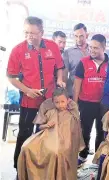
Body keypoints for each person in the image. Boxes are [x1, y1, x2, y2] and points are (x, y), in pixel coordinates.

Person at [6, 16, 65, 169]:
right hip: (29, 100)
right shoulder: (18, 50)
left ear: (42, 32)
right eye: (26, 33)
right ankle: (20, 166)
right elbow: (11, 77)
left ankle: (41, 166)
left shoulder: (52, 46)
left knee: (46, 133)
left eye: (33, 33)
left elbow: (60, 66)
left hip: (49, 101)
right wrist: (27, 91)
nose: (29, 36)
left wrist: (59, 79)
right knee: (25, 133)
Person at [17, 88, 85, 180]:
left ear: (68, 101)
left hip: (65, 140)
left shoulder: (71, 115)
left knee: (55, 152)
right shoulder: (50, 112)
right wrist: (46, 125)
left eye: (62, 102)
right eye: (57, 102)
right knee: (26, 147)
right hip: (46, 137)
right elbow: (40, 127)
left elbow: (75, 132)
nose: (60, 105)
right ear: (53, 102)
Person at [73, 34, 108, 166]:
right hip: (86, 103)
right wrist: (75, 104)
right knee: (85, 131)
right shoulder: (83, 62)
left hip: (104, 104)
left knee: (101, 131)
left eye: (96, 48)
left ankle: (98, 158)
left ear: (104, 47)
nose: (92, 50)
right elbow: (77, 86)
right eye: (91, 47)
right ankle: (82, 155)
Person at [63, 23, 89, 98]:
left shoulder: (93, 51)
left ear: (87, 35)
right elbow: (65, 74)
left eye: (81, 36)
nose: (78, 39)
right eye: (76, 36)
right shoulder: (67, 52)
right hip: (72, 92)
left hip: (90, 94)